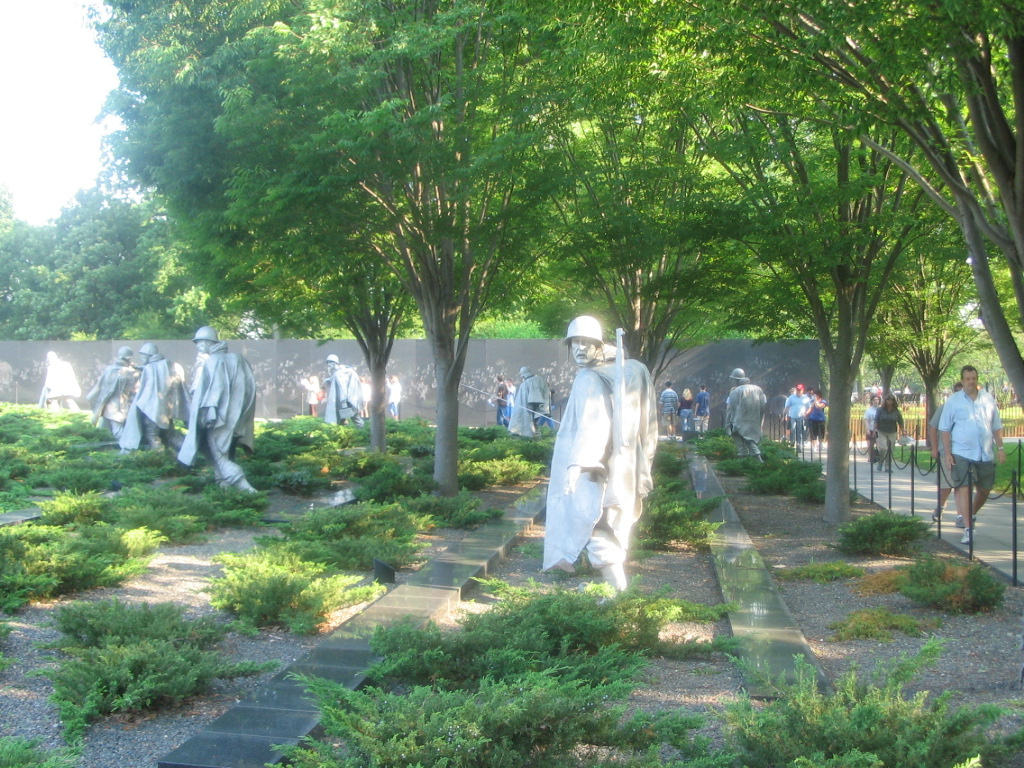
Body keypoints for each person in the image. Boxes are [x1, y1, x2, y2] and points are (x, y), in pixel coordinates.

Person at [543, 316, 657, 592]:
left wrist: (577, 464)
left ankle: (619, 593)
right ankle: (619, 591)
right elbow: (649, 422)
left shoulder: (589, 378)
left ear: (599, 344)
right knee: (607, 524)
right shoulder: (633, 370)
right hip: (624, 464)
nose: (580, 348)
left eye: (587, 342)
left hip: (594, 468)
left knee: (595, 525)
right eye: (575, 343)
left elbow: (594, 425)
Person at [178, 326, 257, 492]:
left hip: (216, 418)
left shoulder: (213, 361)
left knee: (219, 456)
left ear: (209, 342)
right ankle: (224, 488)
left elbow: (216, 388)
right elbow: (250, 387)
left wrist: (211, 413)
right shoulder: (237, 359)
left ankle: (246, 489)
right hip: (235, 418)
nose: (198, 347)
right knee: (225, 453)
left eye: (199, 343)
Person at [939, 365, 1007, 545]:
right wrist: (948, 454)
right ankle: (968, 529)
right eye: (967, 379)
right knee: (965, 488)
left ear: (977, 379)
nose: (971, 382)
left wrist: (1000, 448)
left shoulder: (988, 399)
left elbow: (996, 426)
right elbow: (944, 429)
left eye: (974, 378)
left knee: (984, 490)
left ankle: (970, 514)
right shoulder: (954, 401)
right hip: (961, 452)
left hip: (985, 453)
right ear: (962, 381)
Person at [119, 342, 189, 452]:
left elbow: (145, 392)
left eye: (143, 356)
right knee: (170, 435)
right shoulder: (169, 364)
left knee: (152, 436)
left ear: (149, 355)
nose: (141, 358)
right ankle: (187, 453)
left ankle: (159, 458)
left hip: (152, 410)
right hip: (167, 410)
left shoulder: (150, 368)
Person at [928, 381, 963, 525]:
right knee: (946, 486)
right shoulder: (944, 408)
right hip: (945, 452)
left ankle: (961, 516)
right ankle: (940, 506)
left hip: (964, 453)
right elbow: (933, 427)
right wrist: (935, 448)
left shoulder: (969, 409)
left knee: (961, 486)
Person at [86, 346, 139, 439]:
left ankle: (120, 448)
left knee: (110, 429)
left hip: (110, 405)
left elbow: (99, 386)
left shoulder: (110, 369)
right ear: (129, 358)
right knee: (114, 430)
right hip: (117, 406)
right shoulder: (131, 372)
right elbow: (135, 390)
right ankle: (121, 448)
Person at [725, 368, 766, 460]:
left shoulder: (735, 391)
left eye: (732, 379)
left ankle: (758, 461)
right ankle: (744, 461)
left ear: (736, 380)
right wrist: (760, 422)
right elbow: (762, 408)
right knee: (748, 440)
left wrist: (727, 425)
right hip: (754, 420)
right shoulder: (758, 389)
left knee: (745, 440)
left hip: (739, 421)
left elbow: (730, 410)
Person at [322, 354, 364, 427]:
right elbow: (334, 379)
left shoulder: (340, 373)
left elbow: (343, 388)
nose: (328, 366)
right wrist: (328, 380)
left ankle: (363, 433)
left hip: (347, 402)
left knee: (356, 419)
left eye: (330, 364)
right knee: (341, 421)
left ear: (334, 364)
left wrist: (344, 403)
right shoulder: (338, 373)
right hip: (341, 403)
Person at [508, 366, 551, 437]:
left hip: (529, 407)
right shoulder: (540, 380)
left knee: (529, 419)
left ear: (524, 375)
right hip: (537, 406)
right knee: (533, 421)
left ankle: (530, 433)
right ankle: (534, 432)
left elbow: (521, 404)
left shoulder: (525, 384)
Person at [874, 394, 905, 472]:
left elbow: (900, 421)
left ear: (893, 401)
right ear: (885, 400)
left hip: (892, 432)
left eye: (891, 400)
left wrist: (903, 430)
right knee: (883, 448)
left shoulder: (896, 411)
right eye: (888, 399)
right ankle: (880, 462)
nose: (889, 401)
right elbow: (876, 420)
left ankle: (887, 466)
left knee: (890, 449)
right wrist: (874, 430)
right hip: (881, 431)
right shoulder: (880, 410)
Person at [863, 394, 881, 466]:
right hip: (870, 428)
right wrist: (867, 429)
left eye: (877, 400)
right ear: (871, 401)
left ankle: (879, 457)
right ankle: (871, 457)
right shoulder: (869, 410)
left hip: (879, 430)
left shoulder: (881, 409)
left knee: (880, 445)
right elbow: (866, 420)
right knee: (870, 444)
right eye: (874, 400)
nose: (876, 401)